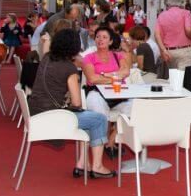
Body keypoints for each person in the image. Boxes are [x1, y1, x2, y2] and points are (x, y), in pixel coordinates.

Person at [28, 28, 115, 178]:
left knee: (89, 119)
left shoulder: (47, 58)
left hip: (35, 112)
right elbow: (77, 102)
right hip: (53, 116)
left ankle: (83, 163)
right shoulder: (69, 68)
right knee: (99, 119)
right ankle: (97, 166)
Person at [82, 26, 133, 155]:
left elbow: (126, 71)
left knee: (135, 107)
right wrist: (115, 76)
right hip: (96, 92)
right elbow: (92, 78)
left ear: (110, 41)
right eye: (98, 37)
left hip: (118, 93)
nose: (100, 39)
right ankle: (100, 143)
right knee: (98, 112)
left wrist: (104, 75)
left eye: (104, 37)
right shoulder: (88, 58)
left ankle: (111, 140)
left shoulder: (118, 56)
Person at [155, 0, 191, 70]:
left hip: (169, 51)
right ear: (181, 3)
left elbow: (157, 35)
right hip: (183, 51)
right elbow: (188, 31)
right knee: (183, 76)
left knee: (173, 75)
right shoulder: (186, 13)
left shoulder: (162, 15)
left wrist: (163, 50)